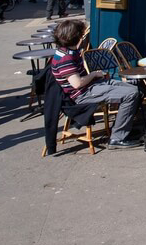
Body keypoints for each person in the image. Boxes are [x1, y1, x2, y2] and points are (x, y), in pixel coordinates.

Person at [50, 19, 141, 148]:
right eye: (82, 34)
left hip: (90, 86)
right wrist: (93, 74)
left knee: (135, 89)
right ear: (76, 37)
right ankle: (117, 137)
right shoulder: (65, 59)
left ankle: (124, 127)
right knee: (131, 94)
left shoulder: (68, 51)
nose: (85, 36)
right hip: (83, 94)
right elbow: (77, 83)